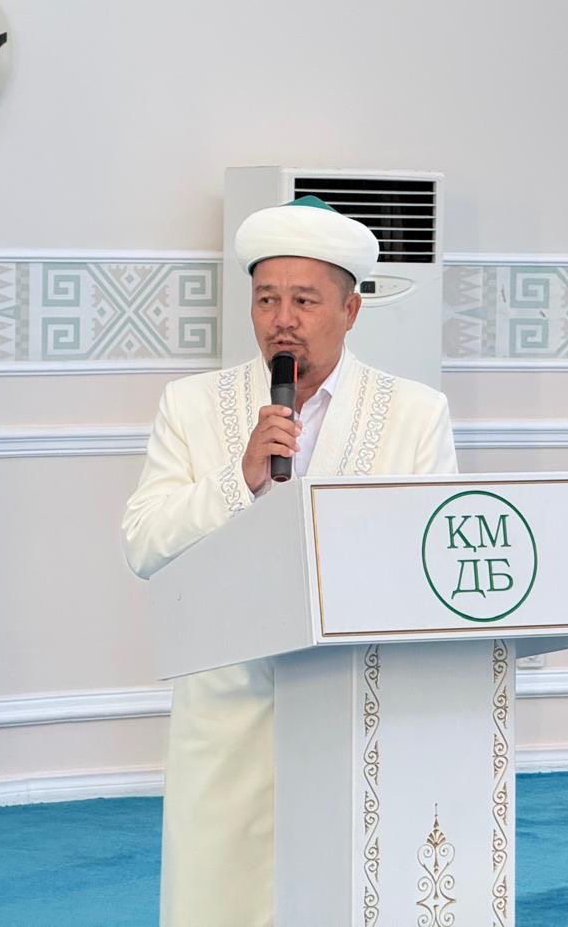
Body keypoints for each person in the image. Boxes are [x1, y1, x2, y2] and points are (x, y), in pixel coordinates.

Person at [122, 195, 458, 927]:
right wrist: (237, 478)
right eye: (267, 299)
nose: (283, 319)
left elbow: (428, 561)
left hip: (354, 702)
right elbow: (143, 543)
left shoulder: (415, 413)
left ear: (350, 310)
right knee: (220, 899)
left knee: (345, 893)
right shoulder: (191, 405)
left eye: (304, 300)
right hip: (228, 704)